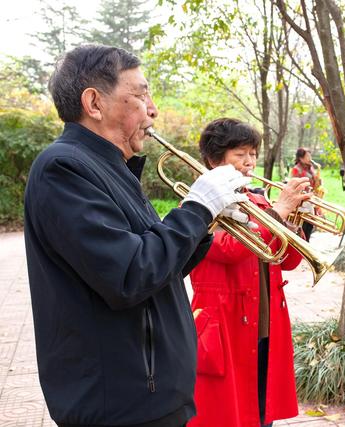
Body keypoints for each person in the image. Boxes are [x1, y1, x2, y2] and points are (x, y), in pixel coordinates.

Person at [23, 45, 250, 427]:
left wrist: (206, 221)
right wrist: (195, 210)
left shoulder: (111, 167)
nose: (153, 109)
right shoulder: (63, 168)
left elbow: (160, 267)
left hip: (151, 397)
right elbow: (130, 274)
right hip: (120, 406)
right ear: (94, 103)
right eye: (142, 94)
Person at [187, 118, 311, 427]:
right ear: (215, 159)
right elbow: (229, 249)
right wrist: (278, 213)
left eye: (253, 153)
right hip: (224, 325)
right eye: (240, 154)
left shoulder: (258, 200)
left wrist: (296, 221)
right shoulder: (199, 204)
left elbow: (288, 261)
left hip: (265, 323)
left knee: (261, 410)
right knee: (223, 414)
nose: (249, 162)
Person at [290, 147, 322, 241]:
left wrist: (318, 181)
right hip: (301, 203)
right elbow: (294, 185)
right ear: (301, 158)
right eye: (308, 156)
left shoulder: (311, 168)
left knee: (309, 226)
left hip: (310, 201)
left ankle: (306, 244)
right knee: (302, 228)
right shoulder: (296, 169)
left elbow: (315, 182)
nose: (310, 158)